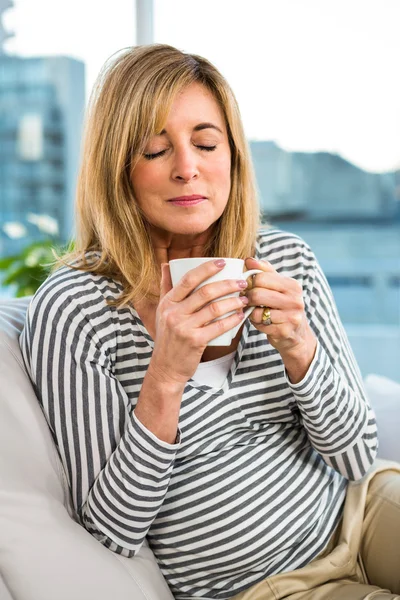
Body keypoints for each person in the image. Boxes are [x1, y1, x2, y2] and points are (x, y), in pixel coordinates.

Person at [19, 44, 400, 600]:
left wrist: (301, 352)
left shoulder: (285, 259)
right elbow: (112, 529)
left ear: (232, 156)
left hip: (358, 512)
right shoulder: (75, 308)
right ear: (116, 168)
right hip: (263, 588)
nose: (186, 167)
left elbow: (356, 456)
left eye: (205, 142)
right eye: (154, 149)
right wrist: (166, 376)